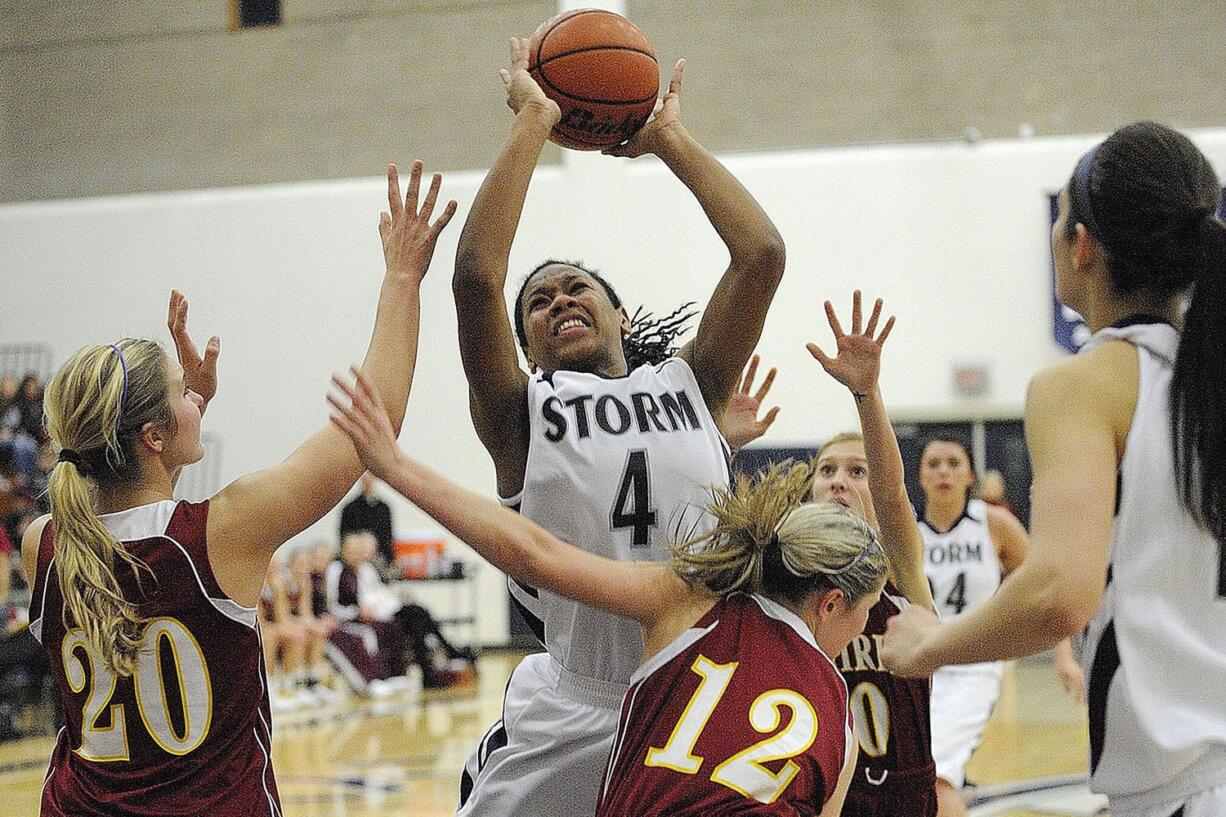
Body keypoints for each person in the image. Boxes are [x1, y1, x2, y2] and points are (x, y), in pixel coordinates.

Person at [20, 161, 456, 816]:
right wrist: (402, 278)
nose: (196, 399)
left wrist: (187, 402)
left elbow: (135, 503)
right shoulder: (223, 532)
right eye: (181, 395)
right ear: (153, 436)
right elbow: (374, 422)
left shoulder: (44, 542)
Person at [450, 36, 786, 816]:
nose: (559, 299)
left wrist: (669, 139)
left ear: (619, 315)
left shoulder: (691, 382)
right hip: (574, 700)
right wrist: (534, 119)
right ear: (527, 348)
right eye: (539, 302)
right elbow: (475, 278)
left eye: (576, 289)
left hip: (696, 687)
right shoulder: (520, 415)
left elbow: (761, 253)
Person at [329, 366, 888, 817]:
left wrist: (395, 466)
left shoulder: (691, 601)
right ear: (833, 601)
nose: (864, 626)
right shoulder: (839, 721)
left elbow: (532, 552)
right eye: (866, 612)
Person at [883, 121, 1226, 817]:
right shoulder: (1206, 376)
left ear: (1082, 244)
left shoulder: (1086, 382)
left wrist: (934, 644)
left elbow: (1058, 593)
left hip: (1186, 785)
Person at [804, 292, 938, 816]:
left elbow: (893, 496)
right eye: (827, 470)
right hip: (813, 790)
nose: (839, 481)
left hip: (899, 793)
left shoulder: (899, 570)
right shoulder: (789, 580)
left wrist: (866, 395)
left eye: (856, 471)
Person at [915, 434, 1083, 816]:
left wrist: (1064, 655)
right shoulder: (906, 531)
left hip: (973, 665)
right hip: (918, 665)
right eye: (934, 464)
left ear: (970, 474)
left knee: (937, 779)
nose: (944, 471)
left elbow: (1044, 587)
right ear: (920, 476)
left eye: (954, 463)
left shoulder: (994, 524)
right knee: (911, 776)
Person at [339, 471, 395, 566]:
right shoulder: (350, 508)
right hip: (354, 559)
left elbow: (388, 537)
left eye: (369, 476)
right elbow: (344, 536)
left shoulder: (383, 508)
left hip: (378, 558)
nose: (367, 480)